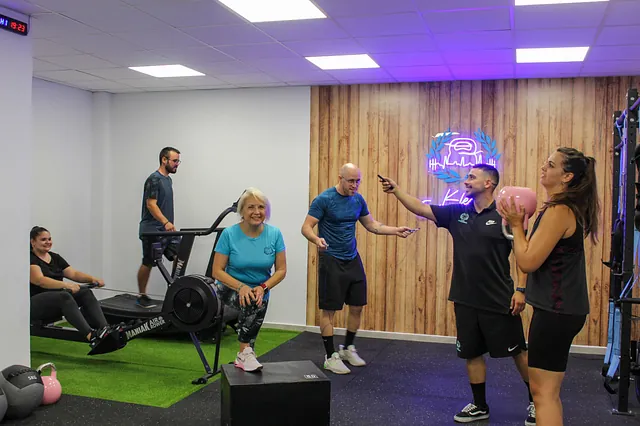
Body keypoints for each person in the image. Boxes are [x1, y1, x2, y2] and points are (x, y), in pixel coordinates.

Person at [380, 164, 536, 425]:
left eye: (472, 177)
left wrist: (521, 290)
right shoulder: (457, 214)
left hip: (499, 298)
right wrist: (397, 191)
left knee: (517, 351)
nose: (466, 181)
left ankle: (536, 401)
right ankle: (479, 405)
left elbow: (523, 256)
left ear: (489, 183)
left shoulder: (505, 216)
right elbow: (420, 208)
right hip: (464, 297)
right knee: (471, 353)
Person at [497, 148, 599, 426]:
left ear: (566, 176)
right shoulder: (564, 208)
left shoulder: (559, 210)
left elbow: (527, 260)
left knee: (543, 393)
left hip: (556, 311)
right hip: (562, 310)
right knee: (547, 392)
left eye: (551, 165)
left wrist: (517, 226)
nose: (544, 167)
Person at [301, 163, 416, 375]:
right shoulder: (324, 200)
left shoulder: (358, 200)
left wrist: (395, 230)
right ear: (340, 178)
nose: (355, 185)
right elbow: (306, 227)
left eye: (358, 181)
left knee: (357, 306)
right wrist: (317, 239)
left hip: (352, 258)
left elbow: (372, 225)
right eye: (351, 181)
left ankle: (348, 348)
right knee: (329, 310)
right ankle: (330, 356)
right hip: (331, 259)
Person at [212, 188, 287, 372]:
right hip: (228, 286)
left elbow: (281, 270)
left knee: (256, 297)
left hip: (259, 289)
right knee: (252, 298)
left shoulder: (274, 234)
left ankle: (246, 353)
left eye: (261, 207)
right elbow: (217, 271)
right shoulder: (229, 234)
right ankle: (245, 352)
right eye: (251, 207)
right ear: (242, 211)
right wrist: (241, 287)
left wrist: (263, 286)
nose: (256, 212)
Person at [29, 226, 111, 348]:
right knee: (64, 295)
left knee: (85, 292)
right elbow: (40, 280)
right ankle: (91, 336)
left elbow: (73, 273)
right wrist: (65, 285)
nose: (48, 242)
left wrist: (92, 279)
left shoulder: (55, 257)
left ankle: (105, 330)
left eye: (49, 239)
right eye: (43, 239)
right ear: (33, 242)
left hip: (55, 301)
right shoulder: (30, 259)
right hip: (35, 305)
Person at [137, 146, 181, 308]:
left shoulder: (168, 180)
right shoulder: (153, 179)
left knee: (180, 255)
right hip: (152, 230)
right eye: (175, 161)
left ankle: (176, 291)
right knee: (148, 262)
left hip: (167, 230)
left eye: (178, 161)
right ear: (164, 159)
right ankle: (141, 296)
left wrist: (168, 225)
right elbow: (151, 204)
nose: (177, 164)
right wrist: (165, 222)